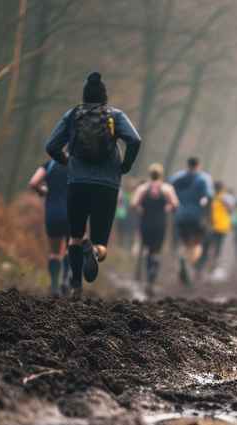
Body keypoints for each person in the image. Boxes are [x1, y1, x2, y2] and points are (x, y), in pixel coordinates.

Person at [46, 72, 141, 297]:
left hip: (77, 183)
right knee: (102, 244)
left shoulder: (72, 115)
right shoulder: (115, 116)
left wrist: (68, 161)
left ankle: (76, 285)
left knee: (75, 236)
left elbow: (51, 146)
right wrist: (125, 165)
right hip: (107, 185)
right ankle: (95, 252)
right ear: (104, 96)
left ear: (85, 95)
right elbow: (135, 140)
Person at [130, 164, 179, 296]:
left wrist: (141, 209)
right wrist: (166, 209)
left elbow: (134, 204)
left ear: (149, 173)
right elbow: (175, 204)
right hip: (160, 223)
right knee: (155, 250)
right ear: (161, 174)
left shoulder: (143, 188)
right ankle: (151, 277)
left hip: (145, 222)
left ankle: (142, 272)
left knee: (145, 248)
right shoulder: (167, 188)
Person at [169, 157, 213, 287]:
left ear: (187, 165)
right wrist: (207, 216)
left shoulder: (176, 178)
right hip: (196, 216)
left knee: (184, 241)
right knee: (197, 242)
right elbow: (208, 197)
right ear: (198, 165)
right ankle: (190, 264)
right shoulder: (204, 178)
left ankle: (182, 259)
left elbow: (170, 194)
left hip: (180, 216)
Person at [28, 159, 70, 296]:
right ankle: (65, 279)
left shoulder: (50, 164)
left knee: (54, 252)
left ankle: (54, 286)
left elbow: (34, 183)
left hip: (54, 212)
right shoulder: (79, 164)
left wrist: (43, 191)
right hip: (73, 212)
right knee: (71, 246)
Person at [198, 181, 235, 279]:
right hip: (219, 227)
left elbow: (203, 208)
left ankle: (205, 268)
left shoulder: (217, 198)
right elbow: (231, 210)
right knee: (214, 249)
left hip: (214, 227)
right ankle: (207, 268)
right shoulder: (214, 198)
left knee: (208, 248)